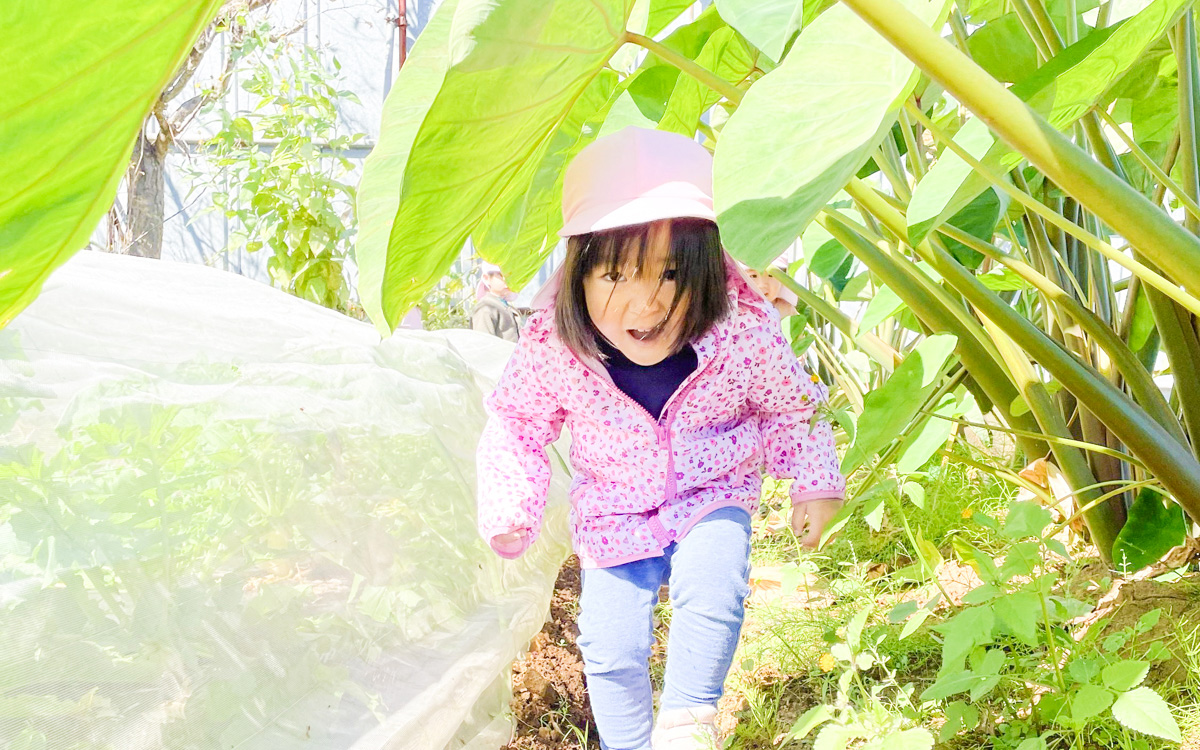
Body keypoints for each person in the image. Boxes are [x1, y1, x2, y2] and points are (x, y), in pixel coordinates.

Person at [475, 128, 844, 750]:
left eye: (671, 273)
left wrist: (814, 484)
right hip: (614, 505)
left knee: (712, 584)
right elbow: (518, 421)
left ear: (708, 269)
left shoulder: (741, 332)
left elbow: (791, 406)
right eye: (614, 275)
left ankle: (687, 727)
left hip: (712, 486)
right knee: (608, 643)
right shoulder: (556, 349)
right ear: (576, 274)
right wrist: (513, 504)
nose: (644, 304)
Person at [471, 263, 521, 341]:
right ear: (486, 278)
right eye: (501, 275)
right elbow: (483, 344)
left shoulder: (504, 305)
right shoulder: (486, 307)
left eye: (510, 275)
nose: (508, 280)